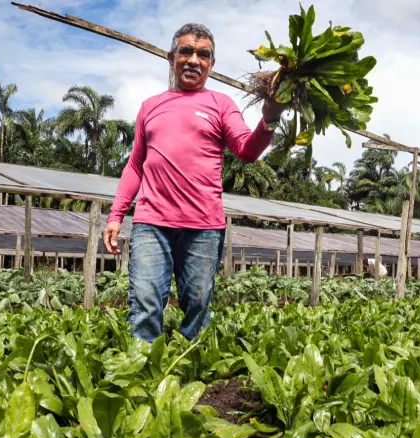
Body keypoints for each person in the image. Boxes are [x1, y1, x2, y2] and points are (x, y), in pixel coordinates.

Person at [102, 23, 285, 343]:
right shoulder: (150, 106)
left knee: (198, 304)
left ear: (211, 64)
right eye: (186, 51)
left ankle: (188, 374)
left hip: (203, 226)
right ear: (171, 57)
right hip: (151, 223)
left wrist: (269, 119)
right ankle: (140, 375)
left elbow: (247, 150)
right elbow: (135, 164)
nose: (193, 60)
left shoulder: (221, 104)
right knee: (144, 303)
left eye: (203, 54)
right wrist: (116, 215)